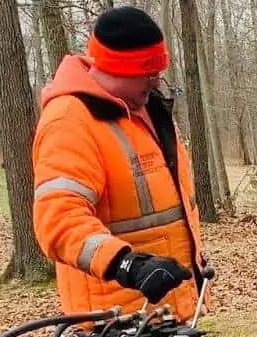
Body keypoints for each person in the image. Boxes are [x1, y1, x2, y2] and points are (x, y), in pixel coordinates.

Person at [31, 6, 208, 320]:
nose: (156, 82)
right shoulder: (70, 120)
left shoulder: (148, 111)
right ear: (116, 68)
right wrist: (127, 264)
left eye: (159, 72)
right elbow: (59, 221)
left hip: (166, 314)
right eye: (148, 73)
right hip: (114, 322)